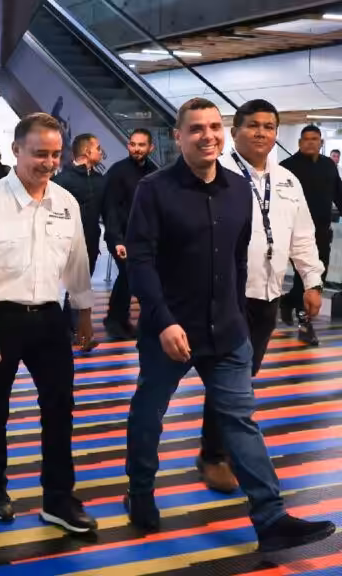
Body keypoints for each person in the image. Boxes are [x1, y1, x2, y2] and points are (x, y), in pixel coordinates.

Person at [123, 97, 336, 550]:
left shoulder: (238, 189)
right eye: (196, 128)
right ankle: (140, 493)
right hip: (170, 330)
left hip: (227, 329)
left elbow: (238, 259)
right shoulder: (154, 190)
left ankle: (271, 518)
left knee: (240, 421)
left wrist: (238, 313)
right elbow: (140, 262)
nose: (208, 136)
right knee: (148, 414)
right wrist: (163, 322)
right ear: (178, 137)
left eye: (214, 127)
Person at [0, 112, 97, 533]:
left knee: (59, 407)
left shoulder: (65, 203)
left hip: (49, 318)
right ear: (16, 150)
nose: (49, 163)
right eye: (39, 154)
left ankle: (58, 497)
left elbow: (77, 262)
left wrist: (84, 312)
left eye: (55, 154)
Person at [193, 99, 325, 494]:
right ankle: (214, 455)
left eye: (269, 126)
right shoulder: (215, 173)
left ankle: (225, 447)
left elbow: (302, 235)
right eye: (253, 125)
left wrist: (312, 281)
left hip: (267, 293)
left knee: (244, 377)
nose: (261, 133)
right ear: (234, 131)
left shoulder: (287, 181)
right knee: (228, 379)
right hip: (224, 295)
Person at [279, 125, 342, 345]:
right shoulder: (286, 168)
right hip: (294, 234)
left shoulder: (328, 166)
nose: (310, 142)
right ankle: (305, 324)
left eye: (314, 139)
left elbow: (339, 194)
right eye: (306, 139)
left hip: (322, 233)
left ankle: (289, 301)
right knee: (303, 279)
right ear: (299, 143)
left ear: (321, 143)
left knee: (317, 278)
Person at [102, 128, 157, 340]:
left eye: (141, 145)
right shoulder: (117, 171)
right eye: (133, 144)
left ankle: (121, 319)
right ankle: (115, 320)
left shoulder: (154, 171)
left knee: (134, 277)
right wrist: (117, 240)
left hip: (144, 237)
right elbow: (110, 209)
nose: (136, 149)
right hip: (121, 237)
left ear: (151, 148)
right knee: (127, 275)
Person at [53, 133, 105, 334]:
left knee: (80, 286)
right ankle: (77, 330)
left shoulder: (100, 180)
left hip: (91, 240)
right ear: (86, 151)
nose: (101, 152)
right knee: (78, 286)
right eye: (98, 148)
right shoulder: (62, 181)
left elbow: (107, 211)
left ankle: (68, 326)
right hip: (69, 243)